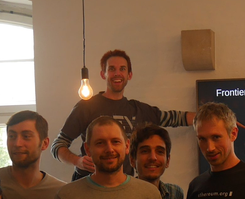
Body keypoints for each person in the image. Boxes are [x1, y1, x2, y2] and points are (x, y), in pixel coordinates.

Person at [51, 49, 195, 180]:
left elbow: (174, 118)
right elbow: (58, 145)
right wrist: (77, 161)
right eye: (111, 69)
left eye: (122, 69)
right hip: (88, 184)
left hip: (123, 186)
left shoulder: (138, 110)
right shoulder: (86, 106)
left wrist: (203, 119)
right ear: (103, 74)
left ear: (129, 75)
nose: (117, 73)